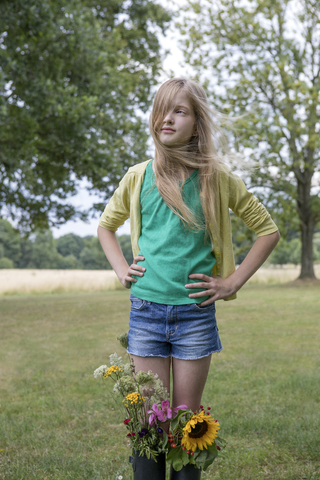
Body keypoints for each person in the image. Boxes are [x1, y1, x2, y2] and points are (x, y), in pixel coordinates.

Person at [97, 78, 280, 479]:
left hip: (194, 315)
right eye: (161, 109)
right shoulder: (139, 176)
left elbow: (268, 231)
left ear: (196, 124)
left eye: (179, 110)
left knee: (184, 422)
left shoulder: (216, 178)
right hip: (145, 311)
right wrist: (120, 268)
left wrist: (232, 282)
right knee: (150, 421)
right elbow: (106, 227)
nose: (167, 117)